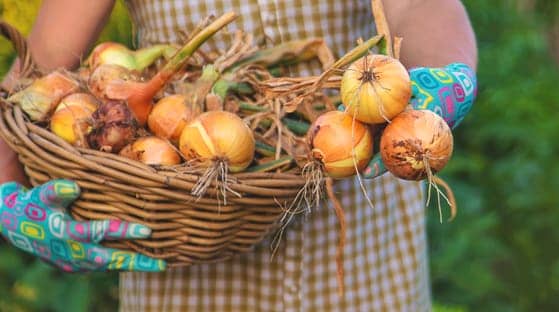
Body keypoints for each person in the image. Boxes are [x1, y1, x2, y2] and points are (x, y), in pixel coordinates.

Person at [0, 0, 477, 310]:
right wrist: (5, 194)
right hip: (184, 273)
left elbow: (421, 6)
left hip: (363, 264)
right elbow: (36, 74)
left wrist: (439, 81)